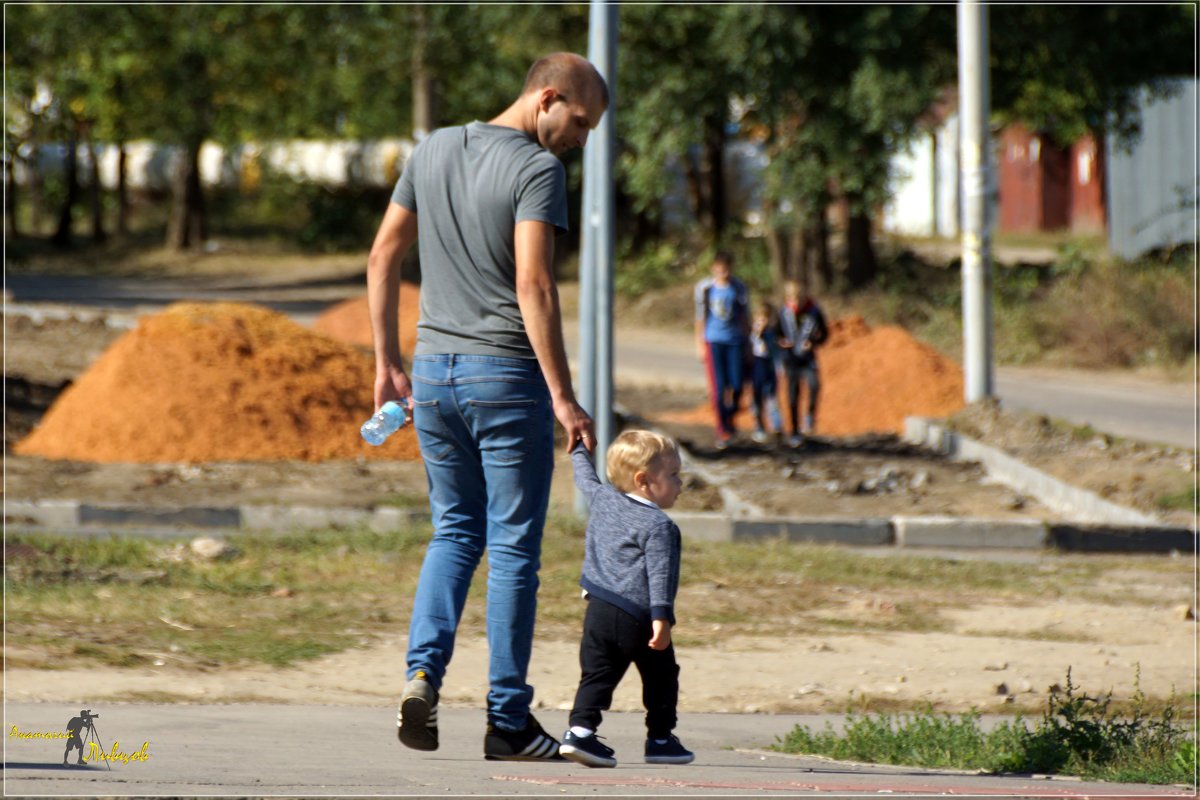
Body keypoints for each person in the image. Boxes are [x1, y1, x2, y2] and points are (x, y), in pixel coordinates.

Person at [367, 52, 608, 762]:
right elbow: (534, 285)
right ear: (549, 97)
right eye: (581, 122)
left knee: (452, 534)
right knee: (511, 550)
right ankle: (507, 719)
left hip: (434, 378)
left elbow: (383, 256)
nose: (581, 139)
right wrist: (565, 397)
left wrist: (386, 362)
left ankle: (422, 675)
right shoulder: (538, 171)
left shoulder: (432, 147)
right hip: (505, 377)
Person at [558, 430, 694, 769]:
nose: (681, 483)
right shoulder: (659, 525)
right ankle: (661, 740)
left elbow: (585, 478)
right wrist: (661, 619)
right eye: (674, 475)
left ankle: (579, 733)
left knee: (597, 674)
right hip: (638, 616)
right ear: (644, 480)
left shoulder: (603, 499)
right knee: (662, 676)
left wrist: (578, 449)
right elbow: (660, 576)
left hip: (598, 611)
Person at [693, 252, 749, 450]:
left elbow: (744, 316)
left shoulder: (739, 287)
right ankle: (721, 429)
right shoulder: (705, 288)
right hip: (713, 341)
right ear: (713, 268)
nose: (723, 272)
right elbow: (700, 317)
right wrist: (699, 343)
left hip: (734, 341)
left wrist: (747, 342)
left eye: (726, 268)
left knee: (736, 384)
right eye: (719, 268)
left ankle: (730, 416)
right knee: (718, 387)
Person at [774, 280, 828, 447]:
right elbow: (775, 334)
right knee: (792, 395)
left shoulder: (814, 311)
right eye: (792, 298)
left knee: (814, 385)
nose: (795, 303)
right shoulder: (782, 313)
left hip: (808, 358)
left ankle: (810, 416)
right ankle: (795, 431)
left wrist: (814, 342)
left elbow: (825, 333)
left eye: (798, 299)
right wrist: (781, 342)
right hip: (790, 360)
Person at [748, 300, 784, 444]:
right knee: (756, 400)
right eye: (759, 319)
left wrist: (780, 368)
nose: (762, 322)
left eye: (765, 319)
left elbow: (775, 353)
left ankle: (776, 426)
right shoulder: (751, 335)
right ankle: (759, 427)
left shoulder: (771, 335)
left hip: (769, 368)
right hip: (756, 367)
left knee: (772, 398)